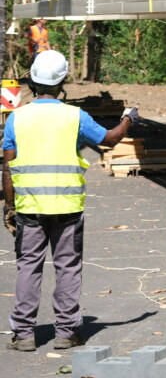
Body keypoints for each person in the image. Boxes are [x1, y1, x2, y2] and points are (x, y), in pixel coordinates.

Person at [2, 50, 137, 352]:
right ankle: (66, 332)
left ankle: (23, 335)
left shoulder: (17, 118)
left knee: (28, 267)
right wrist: (128, 118)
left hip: (29, 207)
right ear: (62, 81)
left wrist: (8, 206)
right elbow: (111, 139)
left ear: (33, 81)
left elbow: (8, 167)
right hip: (67, 206)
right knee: (68, 267)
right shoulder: (75, 116)